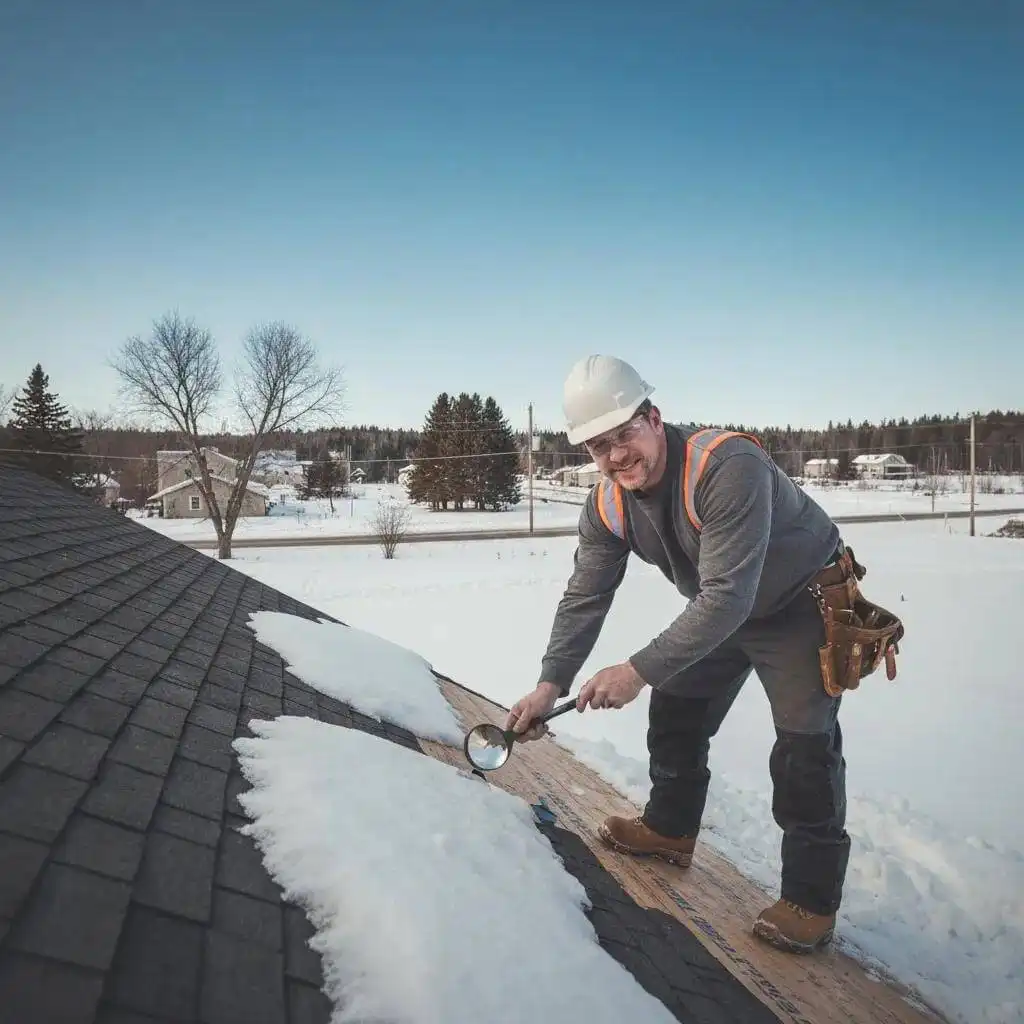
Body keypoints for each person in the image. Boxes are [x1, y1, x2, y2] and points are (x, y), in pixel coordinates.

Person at [505, 354, 898, 955]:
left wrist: (633, 670)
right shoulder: (607, 505)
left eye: (625, 434)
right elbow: (585, 595)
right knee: (678, 708)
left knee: (804, 749)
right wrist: (549, 683)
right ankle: (669, 828)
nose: (616, 456)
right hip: (723, 606)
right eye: (598, 447)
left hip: (799, 602)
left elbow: (727, 598)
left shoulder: (725, 466)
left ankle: (811, 903)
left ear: (655, 418)